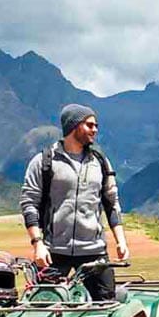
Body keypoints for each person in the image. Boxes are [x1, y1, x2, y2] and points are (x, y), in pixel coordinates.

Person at [21, 104, 129, 301]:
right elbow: (29, 203)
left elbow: (112, 203)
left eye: (96, 125)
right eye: (89, 125)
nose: (95, 130)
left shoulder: (101, 162)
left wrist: (121, 241)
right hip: (53, 251)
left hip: (94, 251)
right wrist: (37, 244)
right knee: (42, 307)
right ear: (74, 126)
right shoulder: (44, 161)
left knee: (106, 311)